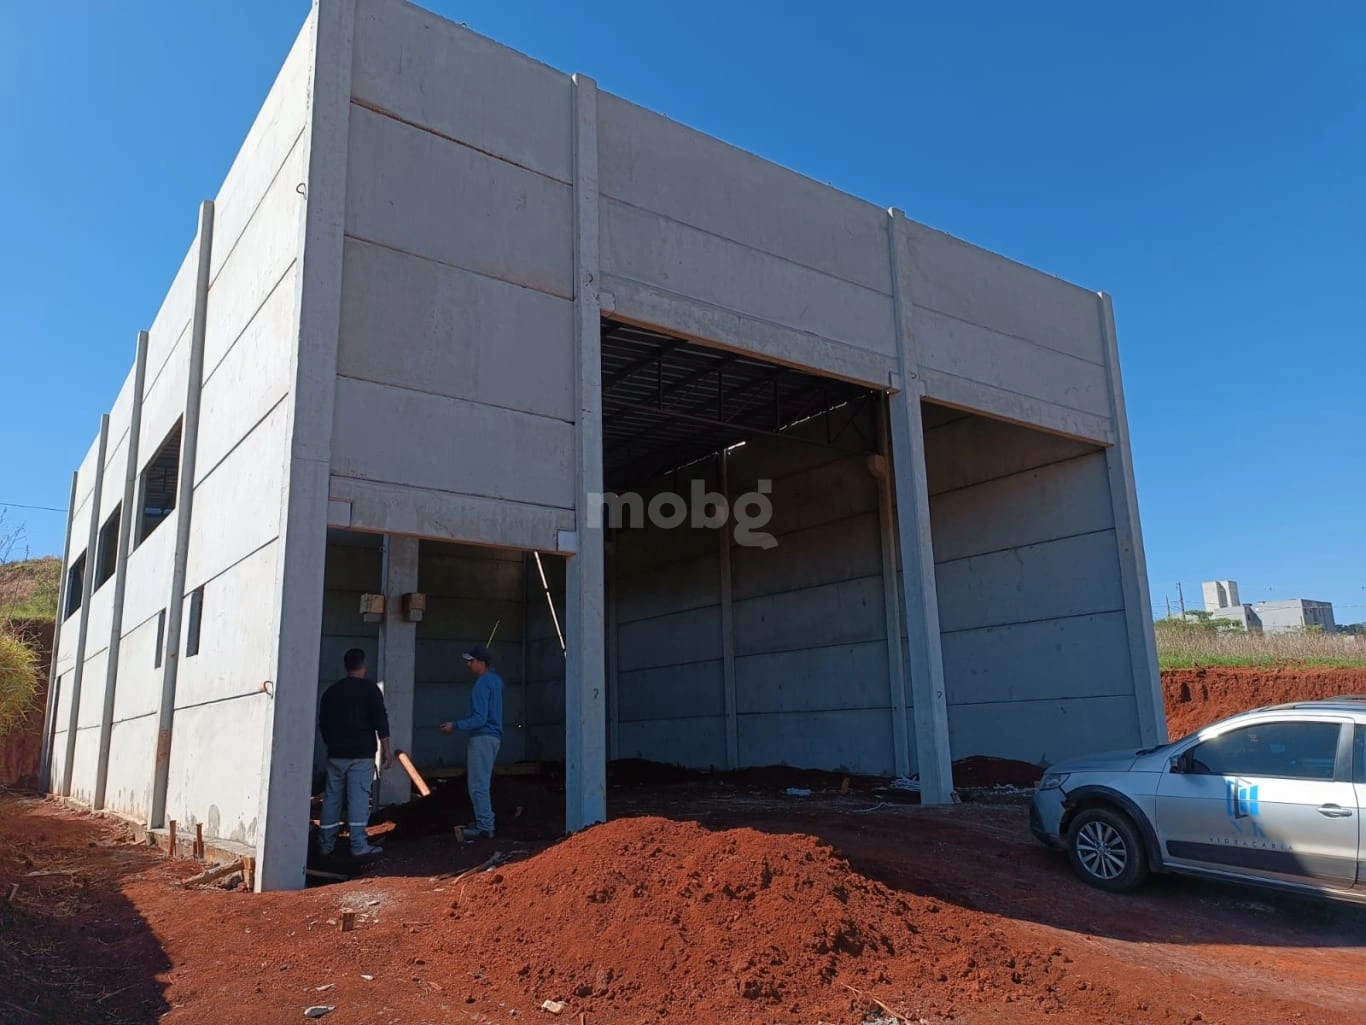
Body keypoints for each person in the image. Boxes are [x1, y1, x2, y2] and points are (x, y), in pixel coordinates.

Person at [317, 648, 392, 858]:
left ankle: (325, 844)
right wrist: (387, 750)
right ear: (364, 666)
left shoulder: (331, 692)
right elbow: (381, 721)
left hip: (336, 754)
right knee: (358, 799)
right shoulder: (370, 691)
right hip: (361, 755)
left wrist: (331, 744)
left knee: (332, 798)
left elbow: (323, 723)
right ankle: (358, 845)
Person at [438, 645, 504, 839]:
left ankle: (485, 827)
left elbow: (479, 718)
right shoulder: (495, 681)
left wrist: (454, 725)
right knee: (481, 782)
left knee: (477, 784)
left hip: (482, 737)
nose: (468, 664)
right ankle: (484, 822)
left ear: (481, 663)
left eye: (471, 661)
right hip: (493, 737)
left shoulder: (482, 684)